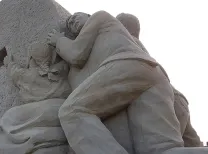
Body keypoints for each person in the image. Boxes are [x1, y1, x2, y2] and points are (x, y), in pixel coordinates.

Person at [47, 11, 183, 154]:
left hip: (127, 67)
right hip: (154, 74)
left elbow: (76, 55)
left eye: (76, 17)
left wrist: (59, 41)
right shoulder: (111, 38)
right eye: (69, 24)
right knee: (161, 150)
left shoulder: (99, 16)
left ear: (88, 16)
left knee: (72, 111)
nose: (72, 21)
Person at [116, 12, 202, 147]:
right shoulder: (141, 48)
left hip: (162, 103)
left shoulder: (127, 44)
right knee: (193, 145)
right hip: (177, 99)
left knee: (162, 149)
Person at [0, 41, 71, 154]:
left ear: (31, 58)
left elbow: (14, 71)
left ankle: (21, 145)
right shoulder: (61, 69)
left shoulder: (27, 75)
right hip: (63, 106)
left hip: (45, 110)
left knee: (7, 119)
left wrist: (8, 62)